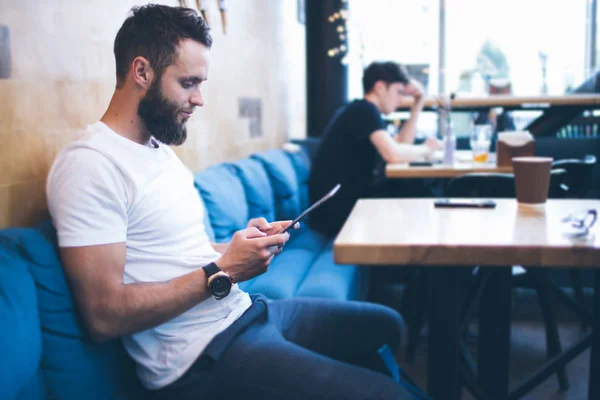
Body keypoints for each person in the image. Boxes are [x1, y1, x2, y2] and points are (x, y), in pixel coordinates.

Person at [46, 5, 413, 399]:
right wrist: (222, 271)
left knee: (385, 326)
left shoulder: (159, 150)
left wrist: (241, 246)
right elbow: (104, 315)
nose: (199, 99)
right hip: (198, 358)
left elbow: (183, 255)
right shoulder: (90, 164)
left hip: (245, 312)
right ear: (141, 72)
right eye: (188, 83)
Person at [308, 62, 441, 238]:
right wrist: (427, 148)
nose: (401, 100)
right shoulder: (363, 111)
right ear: (379, 87)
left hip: (340, 207)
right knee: (414, 192)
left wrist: (418, 104)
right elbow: (394, 155)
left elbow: (402, 146)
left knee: (410, 189)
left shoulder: (365, 111)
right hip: (335, 214)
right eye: (398, 92)